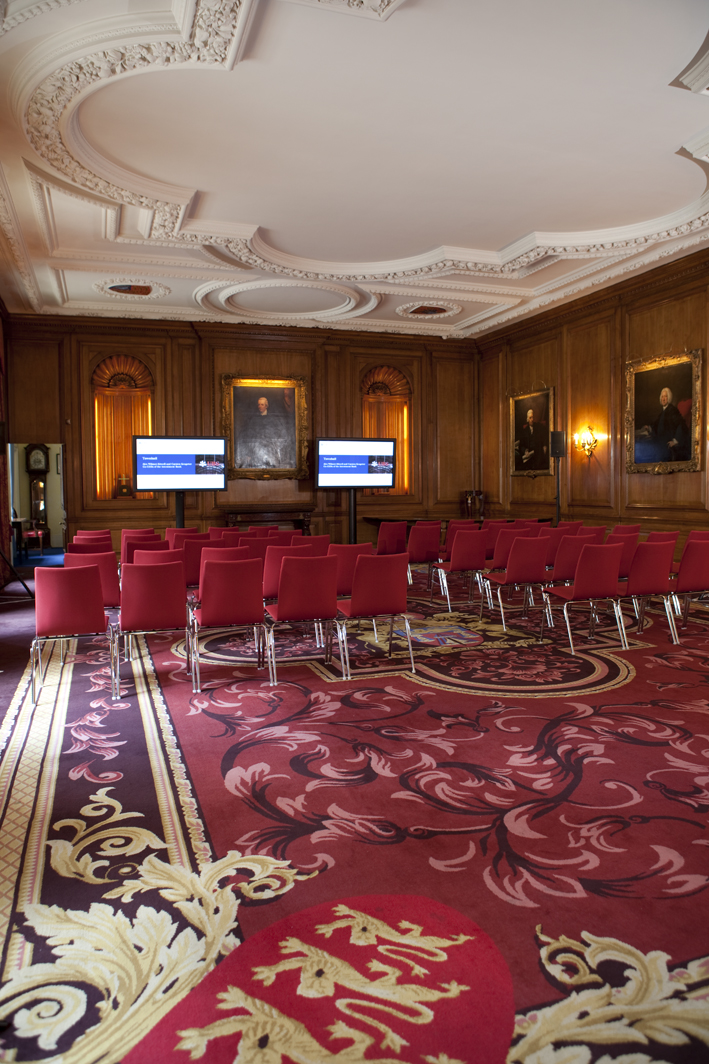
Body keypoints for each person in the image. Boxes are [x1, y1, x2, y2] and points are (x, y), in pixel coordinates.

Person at [235, 394, 296, 469]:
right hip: (256, 453)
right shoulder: (253, 420)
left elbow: (278, 436)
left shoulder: (273, 419)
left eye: (262, 404)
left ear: (266, 406)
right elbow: (248, 437)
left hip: (271, 452)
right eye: (259, 405)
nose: (260, 406)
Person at [635, 387, 689, 463]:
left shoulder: (672, 410)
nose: (663, 399)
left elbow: (681, 425)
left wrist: (675, 441)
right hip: (660, 441)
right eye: (662, 396)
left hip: (666, 444)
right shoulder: (664, 411)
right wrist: (649, 427)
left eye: (665, 396)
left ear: (669, 398)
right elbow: (657, 425)